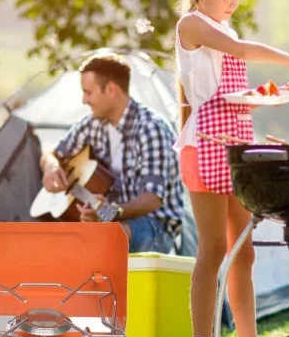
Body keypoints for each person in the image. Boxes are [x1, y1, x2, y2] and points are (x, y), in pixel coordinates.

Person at [175, 0, 289, 337]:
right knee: (213, 248)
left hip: (237, 146)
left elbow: (233, 89)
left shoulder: (220, 25)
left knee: (244, 250)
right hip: (205, 147)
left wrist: (264, 100)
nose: (232, 3)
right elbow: (237, 48)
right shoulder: (193, 24)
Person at [39, 51, 184, 254]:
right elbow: (52, 153)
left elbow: (153, 198)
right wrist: (52, 166)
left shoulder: (151, 127)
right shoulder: (92, 124)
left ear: (111, 89)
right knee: (66, 241)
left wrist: (112, 211)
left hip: (154, 226)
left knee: (106, 238)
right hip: (110, 220)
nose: (84, 100)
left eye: (88, 92)